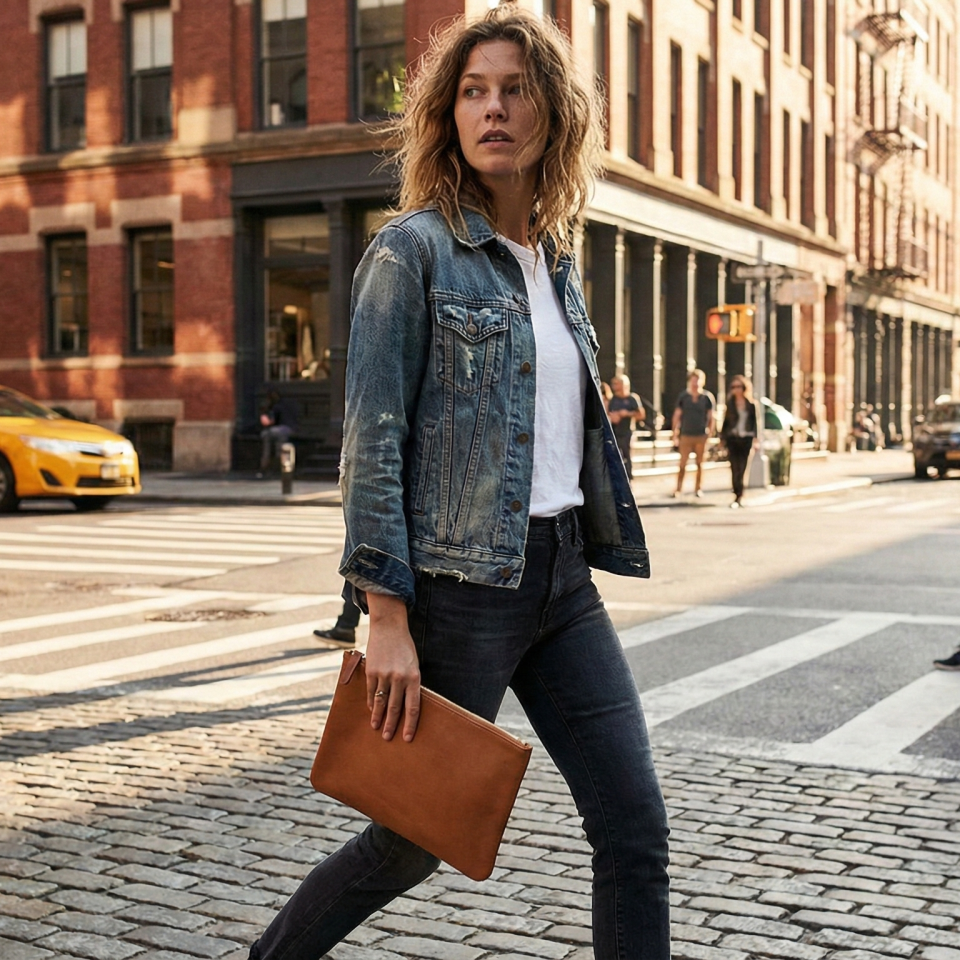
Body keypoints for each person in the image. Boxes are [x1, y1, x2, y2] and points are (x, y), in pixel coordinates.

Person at [246, 7, 670, 960]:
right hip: (458, 597)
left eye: (515, 88)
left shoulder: (557, 264)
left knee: (635, 829)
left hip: (564, 586)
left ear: (553, 113)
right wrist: (384, 617)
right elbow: (374, 444)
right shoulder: (412, 252)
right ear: (447, 113)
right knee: (406, 846)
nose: (494, 109)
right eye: (474, 90)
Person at [671, 368, 715, 498]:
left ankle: (698, 488)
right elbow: (677, 415)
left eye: (698, 381)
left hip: (701, 434)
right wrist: (674, 433)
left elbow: (711, 416)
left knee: (700, 464)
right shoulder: (684, 397)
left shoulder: (707, 397)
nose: (695, 384)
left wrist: (710, 432)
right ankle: (678, 488)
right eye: (693, 381)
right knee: (682, 464)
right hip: (686, 434)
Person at [719, 375, 759, 508]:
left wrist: (756, 439)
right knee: (734, 467)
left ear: (744, 388)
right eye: (733, 387)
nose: (736, 389)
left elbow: (755, 423)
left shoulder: (751, 405)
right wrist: (722, 438)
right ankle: (736, 493)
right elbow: (725, 422)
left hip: (746, 438)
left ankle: (740, 494)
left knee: (742, 467)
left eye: (738, 387)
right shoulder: (730, 404)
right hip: (733, 438)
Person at [607, 374, 645, 478]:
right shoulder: (613, 399)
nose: (614, 386)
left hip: (628, 431)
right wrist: (613, 416)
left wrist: (627, 413)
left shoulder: (632, 398)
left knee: (627, 455)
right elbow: (608, 413)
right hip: (615, 431)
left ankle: (629, 477)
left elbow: (641, 415)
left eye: (616, 384)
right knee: (616, 455)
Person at [258, 391, 298, 475]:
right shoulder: (287, 404)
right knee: (280, 445)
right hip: (290, 429)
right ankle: (279, 465)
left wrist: (264, 418)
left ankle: (265, 464)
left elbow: (270, 422)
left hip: (281, 429)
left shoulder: (276, 407)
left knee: (266, 435)